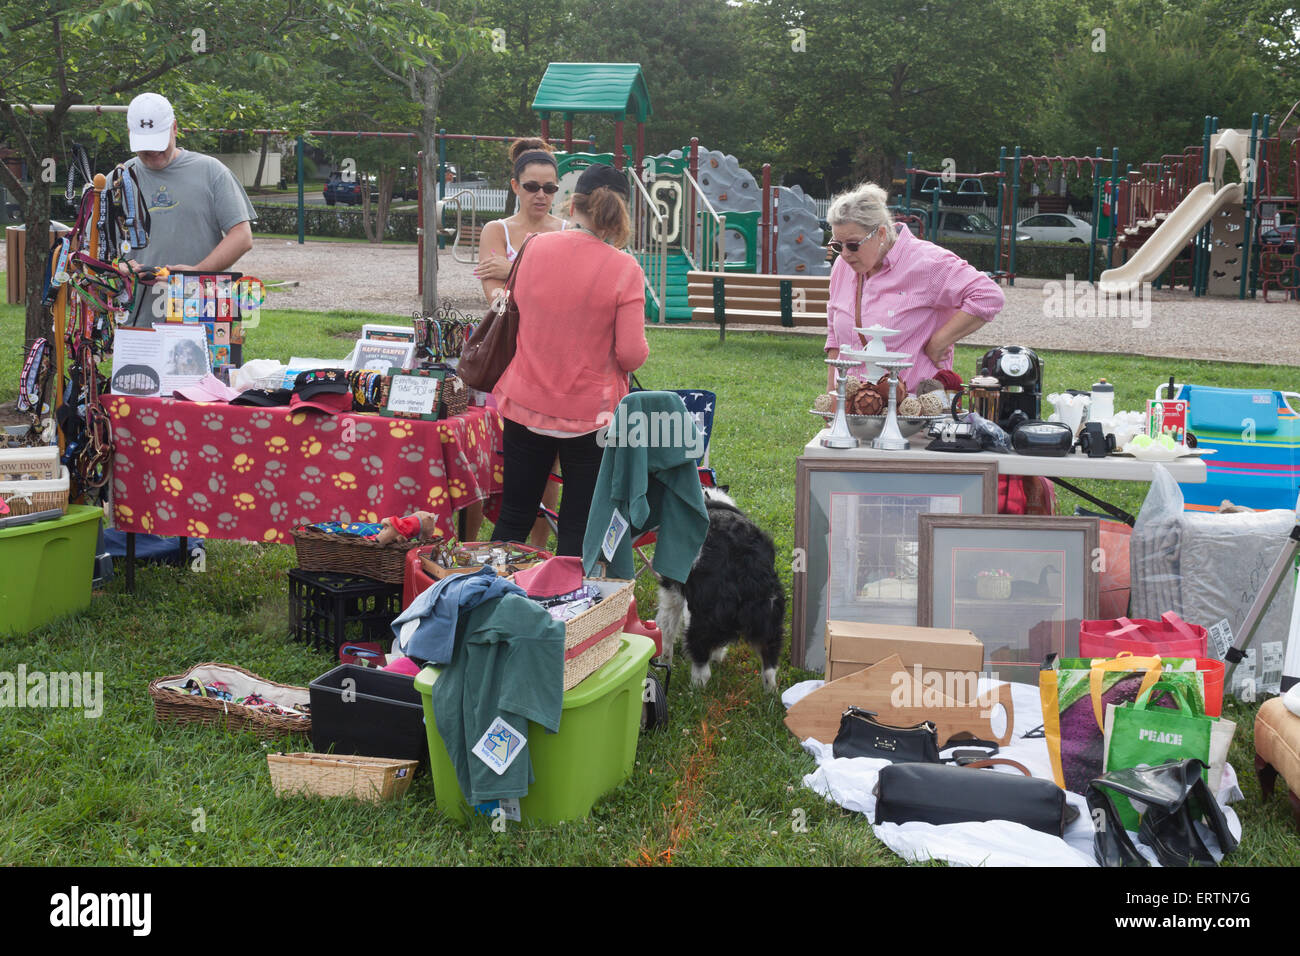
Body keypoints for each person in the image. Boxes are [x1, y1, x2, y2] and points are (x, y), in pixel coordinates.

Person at [490, 163, 648, 556]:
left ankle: (479, 599)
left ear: (573, 203)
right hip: (589, 415)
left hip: (526, 402)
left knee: (513, 516)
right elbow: (631, 354)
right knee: (578, 525)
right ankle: (568, 609)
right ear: (620, 212)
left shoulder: (533, 248)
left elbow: (517, 311)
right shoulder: (624, 268)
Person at [469, 138, 568, 548]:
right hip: (507, 364)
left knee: (551, 472)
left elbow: (570, 298)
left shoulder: (567, 233)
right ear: (514, 186)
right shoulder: (497, 230)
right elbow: (499, 302)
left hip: (555, 365)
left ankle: (538, 553)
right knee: (494, 466)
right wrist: (541, 289)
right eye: (532, 187)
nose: (541, 196)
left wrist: (514, 268)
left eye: (550, 188)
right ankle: (482, 550)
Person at [823, 181, 1003, 393]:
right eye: (837, 245)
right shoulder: (842, 267)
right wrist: (832, 399)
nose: (844, 254)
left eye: (853, 245)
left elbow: (988, 295)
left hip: (912, 411)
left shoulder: (927, 263)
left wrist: (939, 342)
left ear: (881, 234)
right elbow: (835, 340)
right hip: (851, 409)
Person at [123, 92, 257, 326]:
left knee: (209, 363)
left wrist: (196, 272)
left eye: (158, 142)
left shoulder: (211, 171)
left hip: (204, 310)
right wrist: (120, 265)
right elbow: (101, 245)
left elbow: (242, 236)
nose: (153, 153)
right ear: (131, 136)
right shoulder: (120, 178)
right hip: (139, 318)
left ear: (174, 128)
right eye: (145, 146)